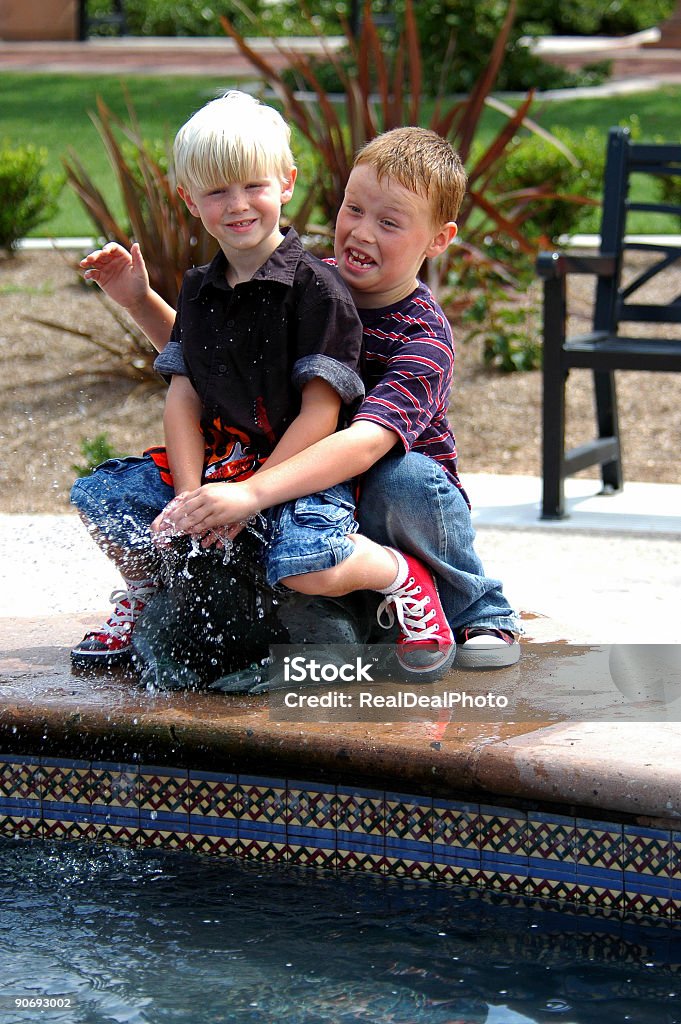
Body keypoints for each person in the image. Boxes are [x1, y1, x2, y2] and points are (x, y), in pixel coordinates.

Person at [70, 94, 458, 681]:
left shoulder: (320, 288)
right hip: (228, 465)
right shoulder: (203, 287)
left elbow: (327, 416)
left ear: (287, 184)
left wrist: (253, 492)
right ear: (188, 199)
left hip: (302, 468)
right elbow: (189, 385)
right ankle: (147, 596)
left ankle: (410, 578)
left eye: (251, 185)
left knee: (307, 559)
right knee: (105, 498)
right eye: (217, 192)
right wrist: (191, 496)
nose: (237, 205)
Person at [158, 127, 521, 670]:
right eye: (353, 209)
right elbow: (214, 364)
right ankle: (368, 605)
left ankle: (477, 607)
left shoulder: (422, 337)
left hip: (380, 491)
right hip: (312, 485)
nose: (361, 232)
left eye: (390, 222)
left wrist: (253, 493)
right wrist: (141, 301)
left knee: (403, 479)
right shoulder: (310, 283)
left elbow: (363, 444)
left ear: (438, 239)